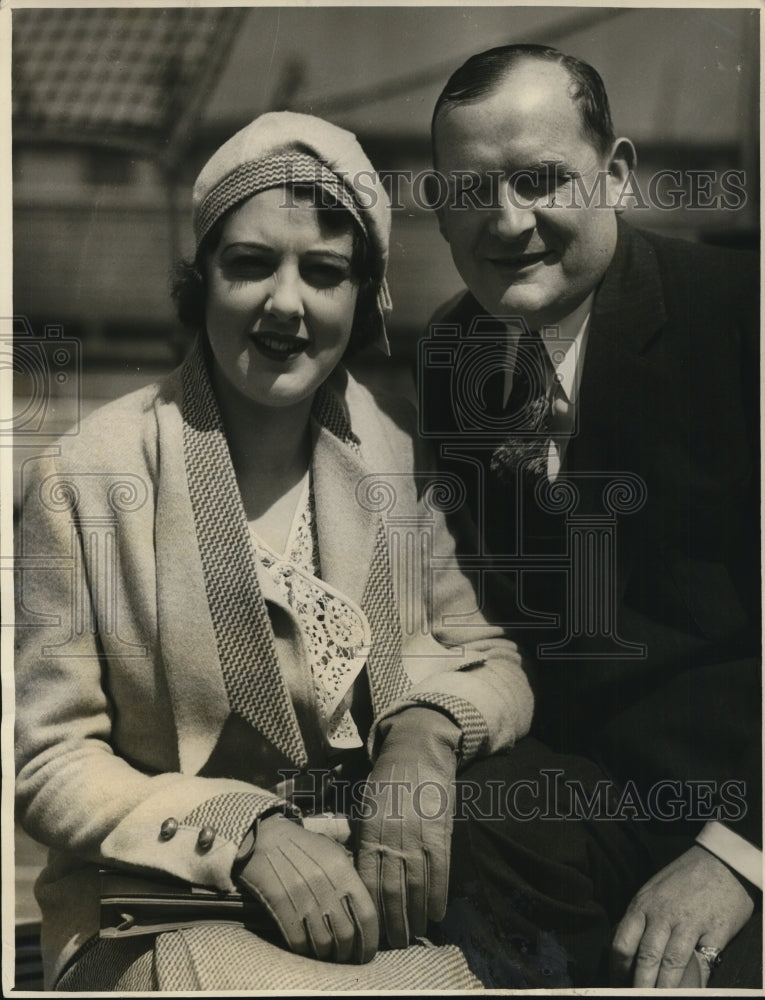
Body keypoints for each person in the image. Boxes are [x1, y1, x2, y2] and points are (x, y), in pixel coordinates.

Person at [14, 110, 535, 991]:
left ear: (363, 301)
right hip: (157, 909)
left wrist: (424, 732)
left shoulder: (397, 462)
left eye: (324, 273)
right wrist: (241, 831)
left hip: (365, 911)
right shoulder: (85, 475)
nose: (285, 303)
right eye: (249, 263)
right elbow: (50, 761)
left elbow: (492, 659)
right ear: (202, 281)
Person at [418, 44, 761, 989]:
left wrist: (738, 857)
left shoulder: (741, 317)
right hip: (592, 802)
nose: (506, 222)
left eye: (539, 180)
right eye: (469, 191)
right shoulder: (453, 349)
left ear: (613, 173)